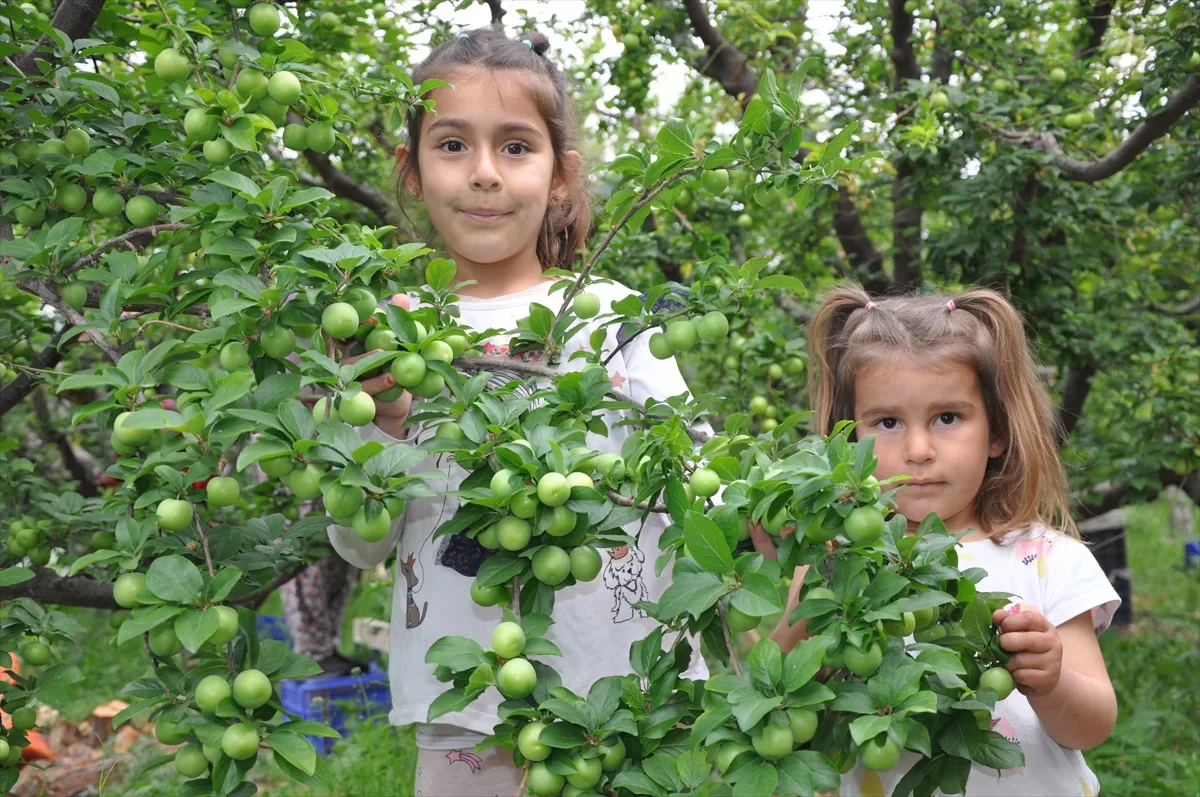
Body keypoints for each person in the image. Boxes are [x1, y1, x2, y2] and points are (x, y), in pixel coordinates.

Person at [322, 27, 706, 796]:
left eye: (516, 147)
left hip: (626, 695)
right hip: (469, 706)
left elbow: (697, 480)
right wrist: (382, 422)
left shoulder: (613, 319)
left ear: (561, 176)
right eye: (452, 144)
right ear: (411, 169)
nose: (484, 172)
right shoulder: (390, 334)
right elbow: (358, 544)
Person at [754, 286, 1120, 796]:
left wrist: (1050, 678)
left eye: (948, 417)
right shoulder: (838, 561)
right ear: (848, 439)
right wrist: (810, 590)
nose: (919, 450)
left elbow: (1092, 726)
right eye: (887, 422)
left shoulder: (1049, 560)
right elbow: (772, 700)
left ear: (997, 432)